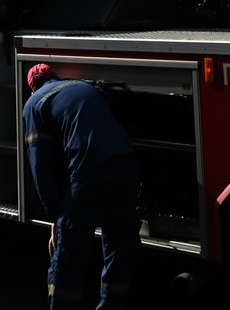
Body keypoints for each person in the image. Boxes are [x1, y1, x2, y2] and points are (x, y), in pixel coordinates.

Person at [21, 63, 141, 310]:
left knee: (68, 254)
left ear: (32, 86)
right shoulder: (84, 86)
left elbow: (40, 167)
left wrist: (55, 217)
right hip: (127, 166)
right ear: (55, 76)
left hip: (90, 174)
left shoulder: (35, 103)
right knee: (118, 246)